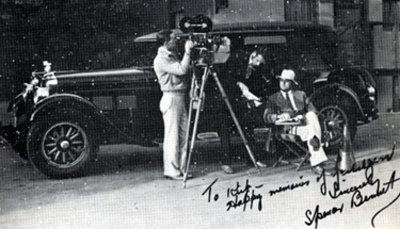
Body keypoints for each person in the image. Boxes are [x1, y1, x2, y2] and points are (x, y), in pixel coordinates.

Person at [263, 69, 329, 174]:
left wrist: (302, 117)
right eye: (281, 80)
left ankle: (316, 162)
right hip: (288, 129)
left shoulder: (300, 94)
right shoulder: (273, 98)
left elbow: (312, 110)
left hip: (304, 124)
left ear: (292, 83)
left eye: (287, 81)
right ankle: (317, 162)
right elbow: (266, 117)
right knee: (312, 132)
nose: (283, 83)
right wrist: (279, 116)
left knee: (311, 116)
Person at [153, 30, 194, 180]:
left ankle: (181, 168)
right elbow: (181, 70)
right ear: (165, 42)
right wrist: (188, 53)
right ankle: (171, 170)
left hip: (179, 96)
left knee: (183, 135)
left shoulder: (171, 55)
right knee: (172, 137)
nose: (176, 41)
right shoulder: (161, 59)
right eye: (173, 39)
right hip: (171, 97)